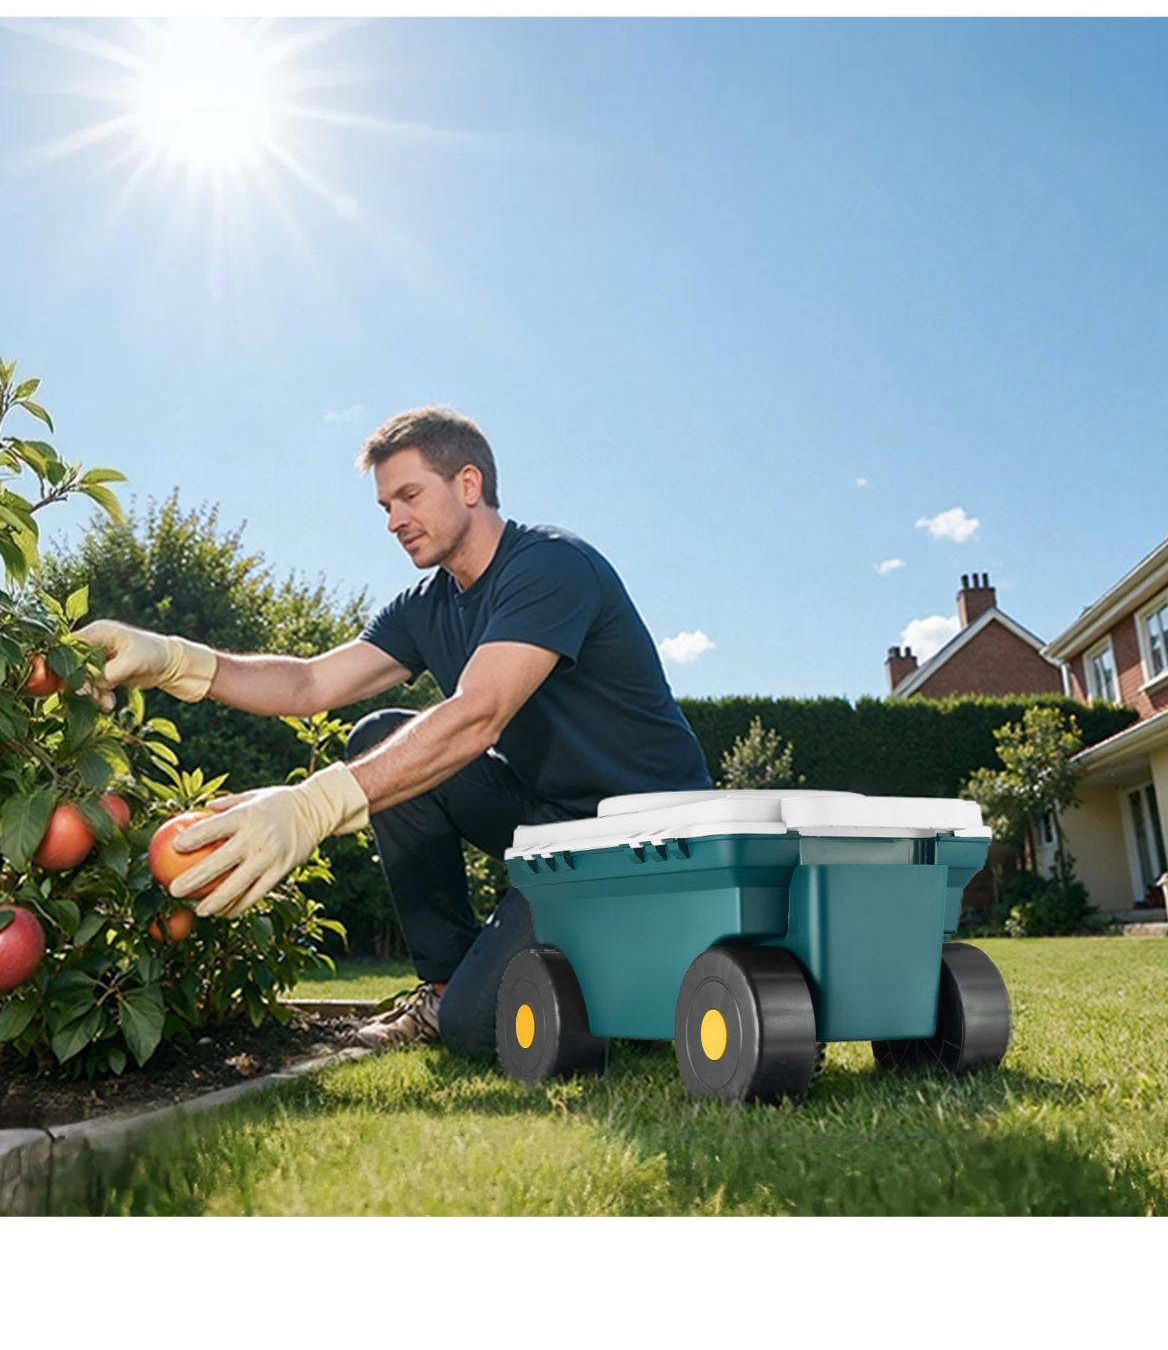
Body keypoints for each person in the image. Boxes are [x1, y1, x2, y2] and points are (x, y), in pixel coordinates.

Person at [80, 405, 712, 1056]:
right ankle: (447, 987)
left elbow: (478, 713)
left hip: (647, 838)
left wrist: (317, 806)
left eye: (409, 496)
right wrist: (173, 659)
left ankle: (656, 975)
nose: (393, 521)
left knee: (482, 1029)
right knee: (378, 732)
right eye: (385, 506)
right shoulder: (428, 606)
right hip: (555, 828)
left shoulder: (551, 568)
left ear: (469, 485)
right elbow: (309, 684)